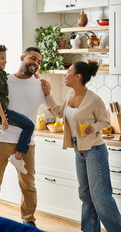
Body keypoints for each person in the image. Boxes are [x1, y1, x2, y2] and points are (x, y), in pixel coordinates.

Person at [41, 61, 121, 232]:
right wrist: (48, 94)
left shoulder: (94, 99)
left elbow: (105, 121)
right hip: (79, 150)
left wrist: (94, 127)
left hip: (95, 150)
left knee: (101, 197)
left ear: (78, 76)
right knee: (85, 195)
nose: (65, 74)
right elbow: (59, 112)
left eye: (68, 71)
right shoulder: (70, 94)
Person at [0, 47, 48, 227]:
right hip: (0, 139)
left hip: (26, 143)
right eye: (32, 58)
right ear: (22, 57)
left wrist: (48, 91)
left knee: (28, 186)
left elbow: (53, 108)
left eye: (38, 61)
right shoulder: (5, 79)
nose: (35, 63)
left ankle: (29, 221)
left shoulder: (40, 85)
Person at [0, 44, 37, 174]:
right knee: (29, 125)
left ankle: (17, 156)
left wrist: (34, 77)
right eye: (2, 58)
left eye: (5, 58)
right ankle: (17, 157)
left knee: (27, 125)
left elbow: (5, 79)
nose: (5, 61)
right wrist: (3, 117)